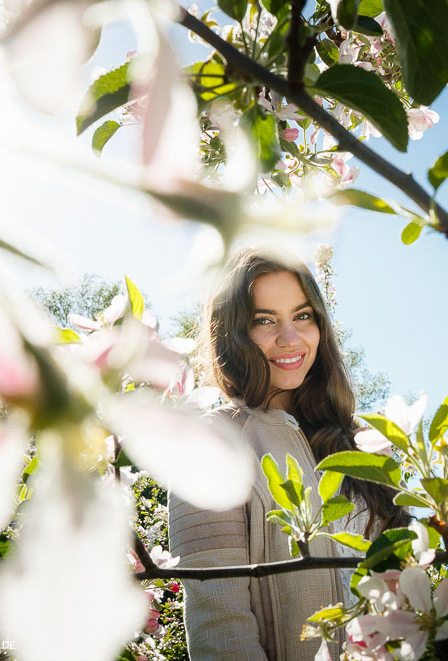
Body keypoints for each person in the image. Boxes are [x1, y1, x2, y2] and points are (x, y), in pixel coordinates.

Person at [168, 249, 409, 660]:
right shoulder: (211, 442)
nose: (291, 339)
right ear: (232, 332)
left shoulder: (363, 445)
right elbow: (220, 627)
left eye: (303, 316)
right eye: (264, 320)